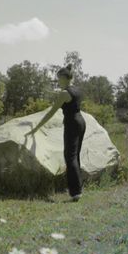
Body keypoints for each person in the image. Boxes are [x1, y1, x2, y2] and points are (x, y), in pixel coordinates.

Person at [24, 64, 86, 202]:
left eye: (58, 79)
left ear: (64, 78)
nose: (57, 81)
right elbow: (66, 96)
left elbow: (51, 113)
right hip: (81, 122)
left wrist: (35, 128)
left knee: (69, 157)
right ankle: (78, 187)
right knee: (75, 155)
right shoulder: (76, 90)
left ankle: (76, 193)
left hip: (72, 124)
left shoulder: (64, 94)